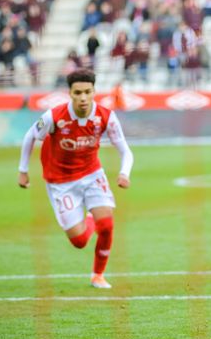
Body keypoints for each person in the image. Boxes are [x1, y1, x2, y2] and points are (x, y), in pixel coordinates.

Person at [18, 68, 134, 289]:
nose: (83, 98)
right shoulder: (54, 116)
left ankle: (98, 275)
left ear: (94, 92)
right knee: (79, 242)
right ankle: (91, 217)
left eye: (87, 92)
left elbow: (126, 151)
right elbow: (30, 136)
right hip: (60, 182)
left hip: (92, 175)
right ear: (69, 93)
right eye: (78, 92)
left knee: (107, 225)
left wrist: (124, 173)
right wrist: (23, 170)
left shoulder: (106, 117)